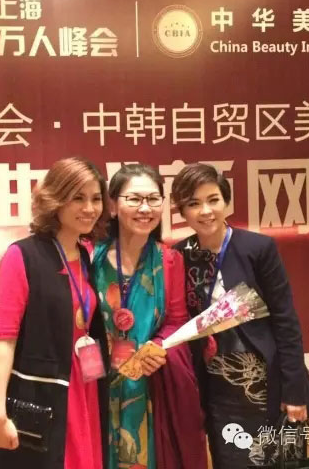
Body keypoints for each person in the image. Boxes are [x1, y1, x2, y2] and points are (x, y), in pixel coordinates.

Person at [170, 162, 309, 468]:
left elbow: (286, 321)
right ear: (182, 211)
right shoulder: (179, 255)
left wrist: (294, 392)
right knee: (231, 459)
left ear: (226, 201)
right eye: (194, 204)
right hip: (218, 390)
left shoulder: (258, 248)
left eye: (213, 200)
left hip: (267, 385)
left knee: (280, 461)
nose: (205, 211)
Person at [0, 157, 110, 469]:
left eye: (96, 198)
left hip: (85, 384)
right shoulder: (22, 255)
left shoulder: (86, 254)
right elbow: (4, 340)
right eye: (78, 198)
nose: (89, 208)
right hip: (43, 390)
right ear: (56, 199)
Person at [91, 163, 206, 469]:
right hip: (95, 382)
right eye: (134, 199)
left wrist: (158, 346)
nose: (145, 208)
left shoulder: (169, 260)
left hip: (146, 382)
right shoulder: (91, 256)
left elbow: (176, 320)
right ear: (113, 206)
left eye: (154, 199)